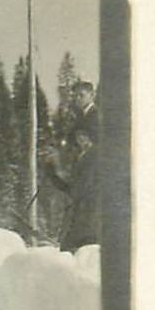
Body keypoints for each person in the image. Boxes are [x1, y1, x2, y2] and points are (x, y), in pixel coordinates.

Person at [42, 81, 99, 251]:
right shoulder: (80, 117)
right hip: (81, 199)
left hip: (91, 204)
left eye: (82, 95)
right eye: (75, 96)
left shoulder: (96, 117)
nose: (77, 99)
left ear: (92, 95)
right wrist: (52, 167)